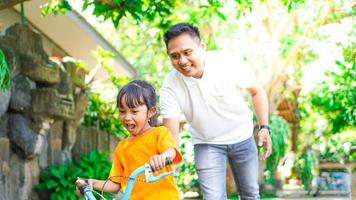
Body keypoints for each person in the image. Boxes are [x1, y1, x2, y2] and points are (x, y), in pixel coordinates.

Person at [160, 23, 272, 200]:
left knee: (250, 194)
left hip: (242, 138)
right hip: (206, 144)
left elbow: (256, 91)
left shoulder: (226, 63)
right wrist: (168, 158)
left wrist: (264, 127)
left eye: (187, 52)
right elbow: (171, 134)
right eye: (174, 56)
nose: (182, 61)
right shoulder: (170, 85)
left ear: (201, 47)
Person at [75, 80, 182, 200]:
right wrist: (92, 183)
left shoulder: (160, 133)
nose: (127, 117)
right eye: (122, 111)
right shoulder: (122, 147)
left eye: (134, 111)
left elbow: (171, 151)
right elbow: (116, 184)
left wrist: (162, 157)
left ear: (151, 112)